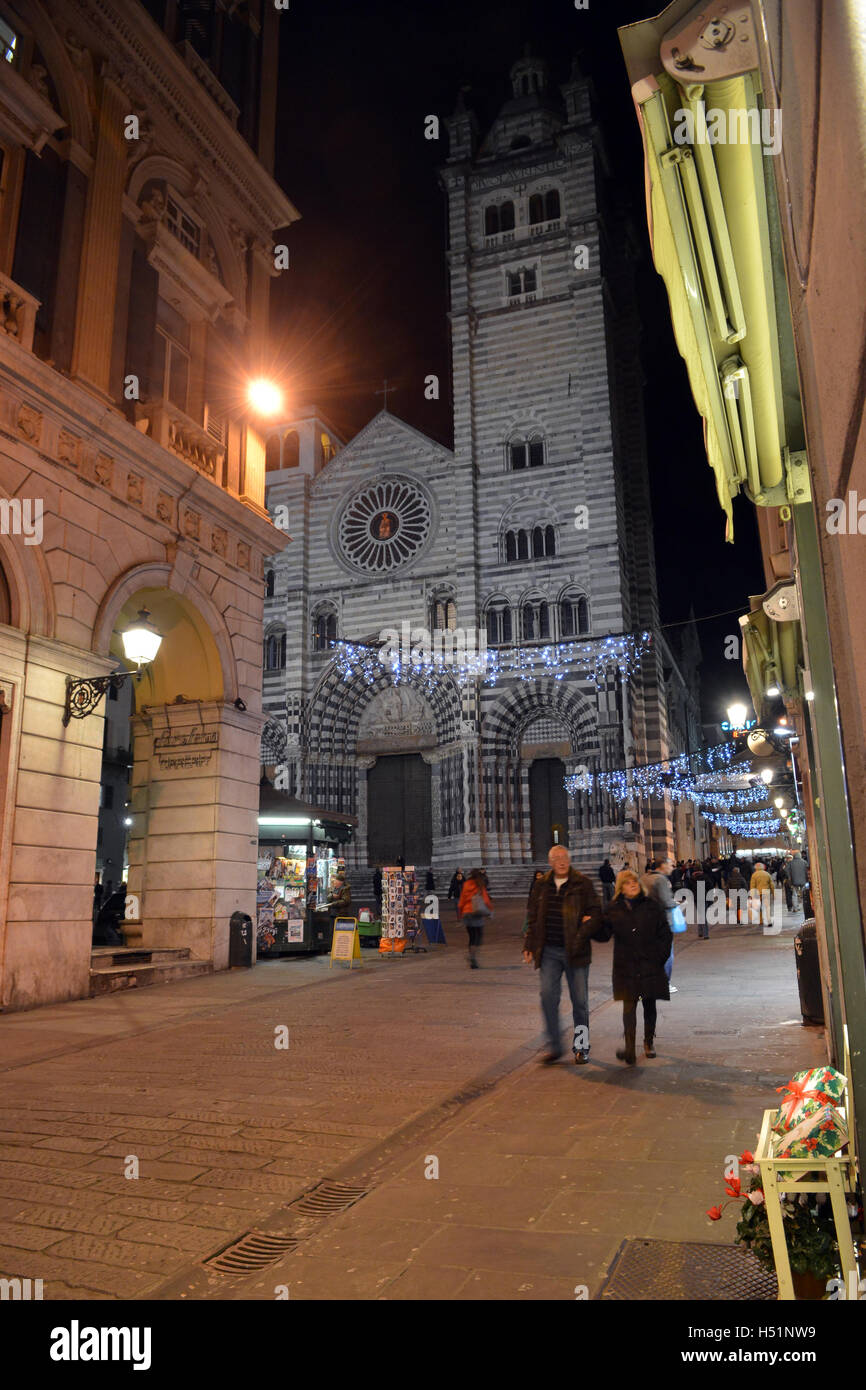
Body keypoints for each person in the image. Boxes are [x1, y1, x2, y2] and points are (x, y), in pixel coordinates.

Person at [523, 845, 600, 1065]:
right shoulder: (541, 885)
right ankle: (555, 1046)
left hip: (576, 950)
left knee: (580, 1002)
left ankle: (582, 1046)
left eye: (564, 856)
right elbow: (533, 917)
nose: (561, 860)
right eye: (556, 857)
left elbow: (596, 912)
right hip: (549, 951)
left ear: (569, 858)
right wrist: (529, 945)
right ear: (550, 862)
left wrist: (586, 926)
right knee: (547, 997)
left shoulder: (582, 883)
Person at [595, 868, 672, 1065]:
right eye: (629, 883)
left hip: (649, 963)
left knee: (649, 1004)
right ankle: (630, 1049)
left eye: (635, 882)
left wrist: (659, 957)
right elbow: (604, 935)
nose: (633, 885)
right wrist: (593, 924)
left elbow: (665, 933)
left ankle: (648, 1042)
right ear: (621, 888)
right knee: (628, 1008)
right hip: (626, 965)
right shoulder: (613, 908)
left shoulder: (651, 906)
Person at [645, 857, 678, 993]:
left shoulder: (645, 878)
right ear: (662, 865)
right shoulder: (661, 880)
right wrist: (676, 904)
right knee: (667, 954)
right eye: (670, 865)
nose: (672, 867)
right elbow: (666, 901)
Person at [458, 868, 492, 969]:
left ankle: (472, 956)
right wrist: (490, 910)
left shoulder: (466, 884)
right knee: (479, 937)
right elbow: (485, 899)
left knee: (471, 937)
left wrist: (460, 914)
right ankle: (473, 956)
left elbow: (462, 900)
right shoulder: (480, 884)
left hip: (466, 912)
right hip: (477, 913)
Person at [749, 860, 774, 927]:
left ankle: (760, 921)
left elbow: (752, 886)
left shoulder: (754, 875)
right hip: (766, 893)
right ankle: (769, 921)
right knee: (767, 907)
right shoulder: (767, 874)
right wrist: (774, 893)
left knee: (758, 907)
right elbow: (772, 885)